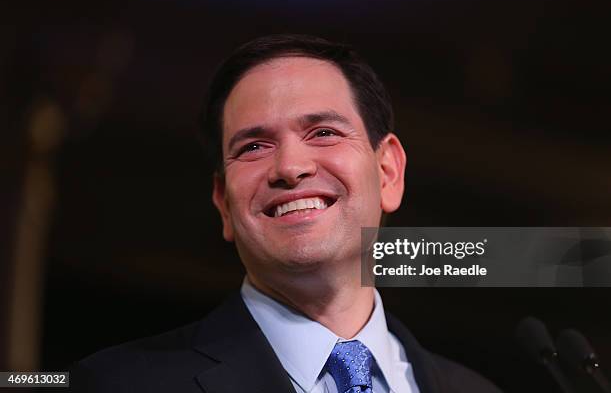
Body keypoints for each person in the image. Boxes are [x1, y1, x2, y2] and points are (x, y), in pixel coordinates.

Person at [71, 34, 502, 393]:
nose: (291, 168)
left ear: (388, 172)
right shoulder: (117, 383)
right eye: (254, 147)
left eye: (324, 133)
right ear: (222, 201)